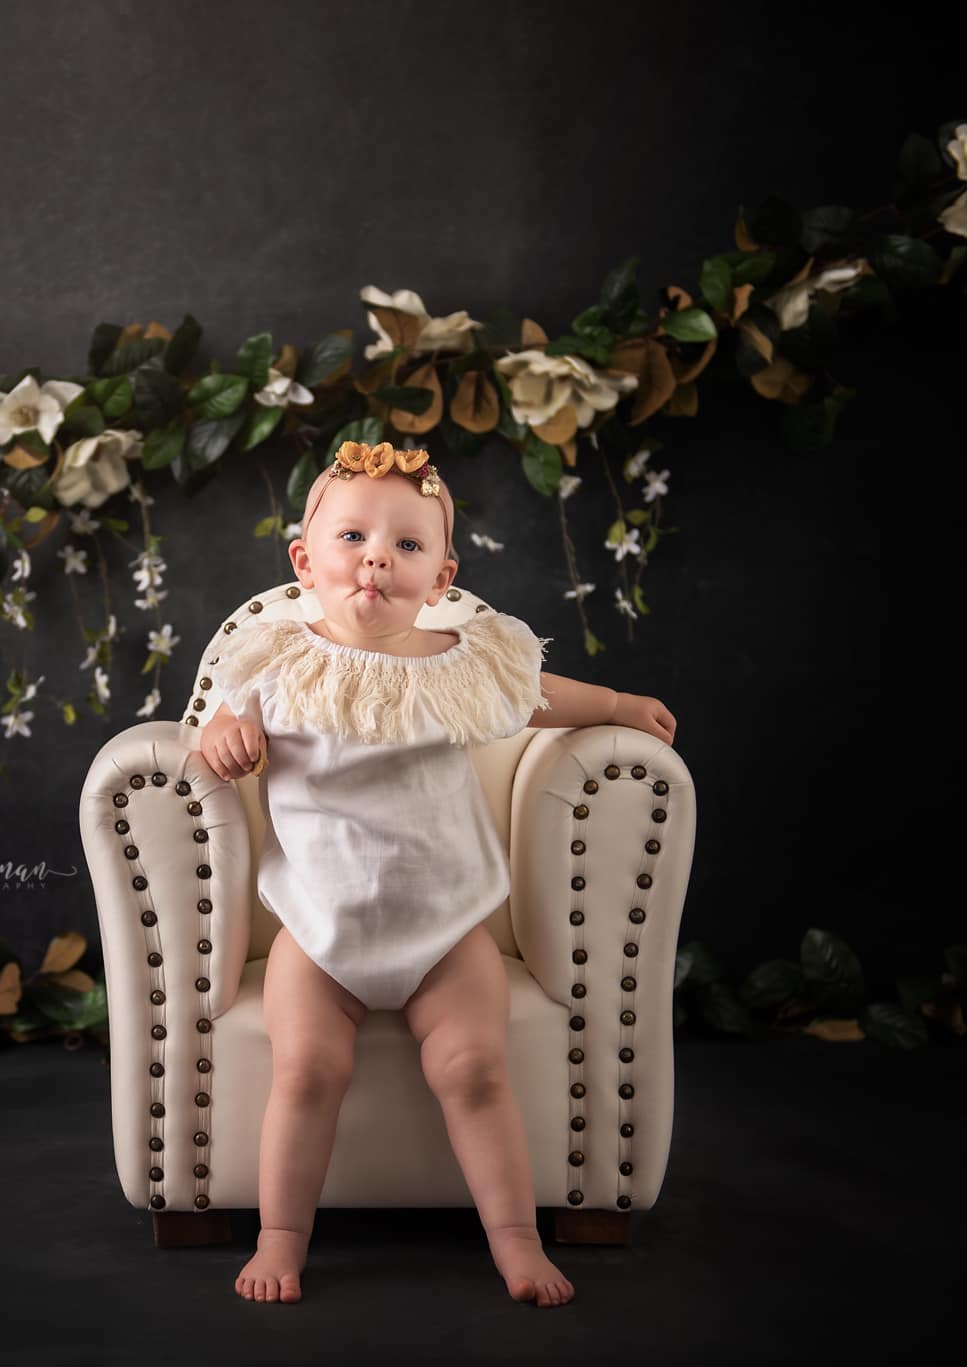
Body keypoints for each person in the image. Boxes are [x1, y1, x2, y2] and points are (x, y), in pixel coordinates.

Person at [196, 439, 678, 1308]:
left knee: (474, 1068)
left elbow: (537, 696)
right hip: (319, 928)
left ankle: (516, 1240)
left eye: (408, 545)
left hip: (447, 928)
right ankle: (281, 1236)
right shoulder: (275, 658)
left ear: (442, 575)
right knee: (305, 1068)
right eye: (353, 536)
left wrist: (614, 706)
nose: (377, 556)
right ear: (306, 559)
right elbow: (218, 723)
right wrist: (222, 738)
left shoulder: (461, 661)